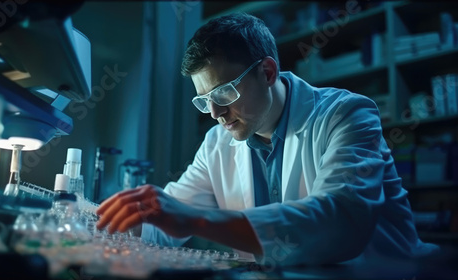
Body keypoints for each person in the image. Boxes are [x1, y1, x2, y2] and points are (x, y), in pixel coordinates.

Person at [96, 12, 439, 266]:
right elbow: (166, 224)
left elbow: (340, 221)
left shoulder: (346, 113)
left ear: (268, 72)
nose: (214, 113)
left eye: (224, 92)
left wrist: (193, 219)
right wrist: (121, 219)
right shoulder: (217, 143)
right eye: (204, 100)